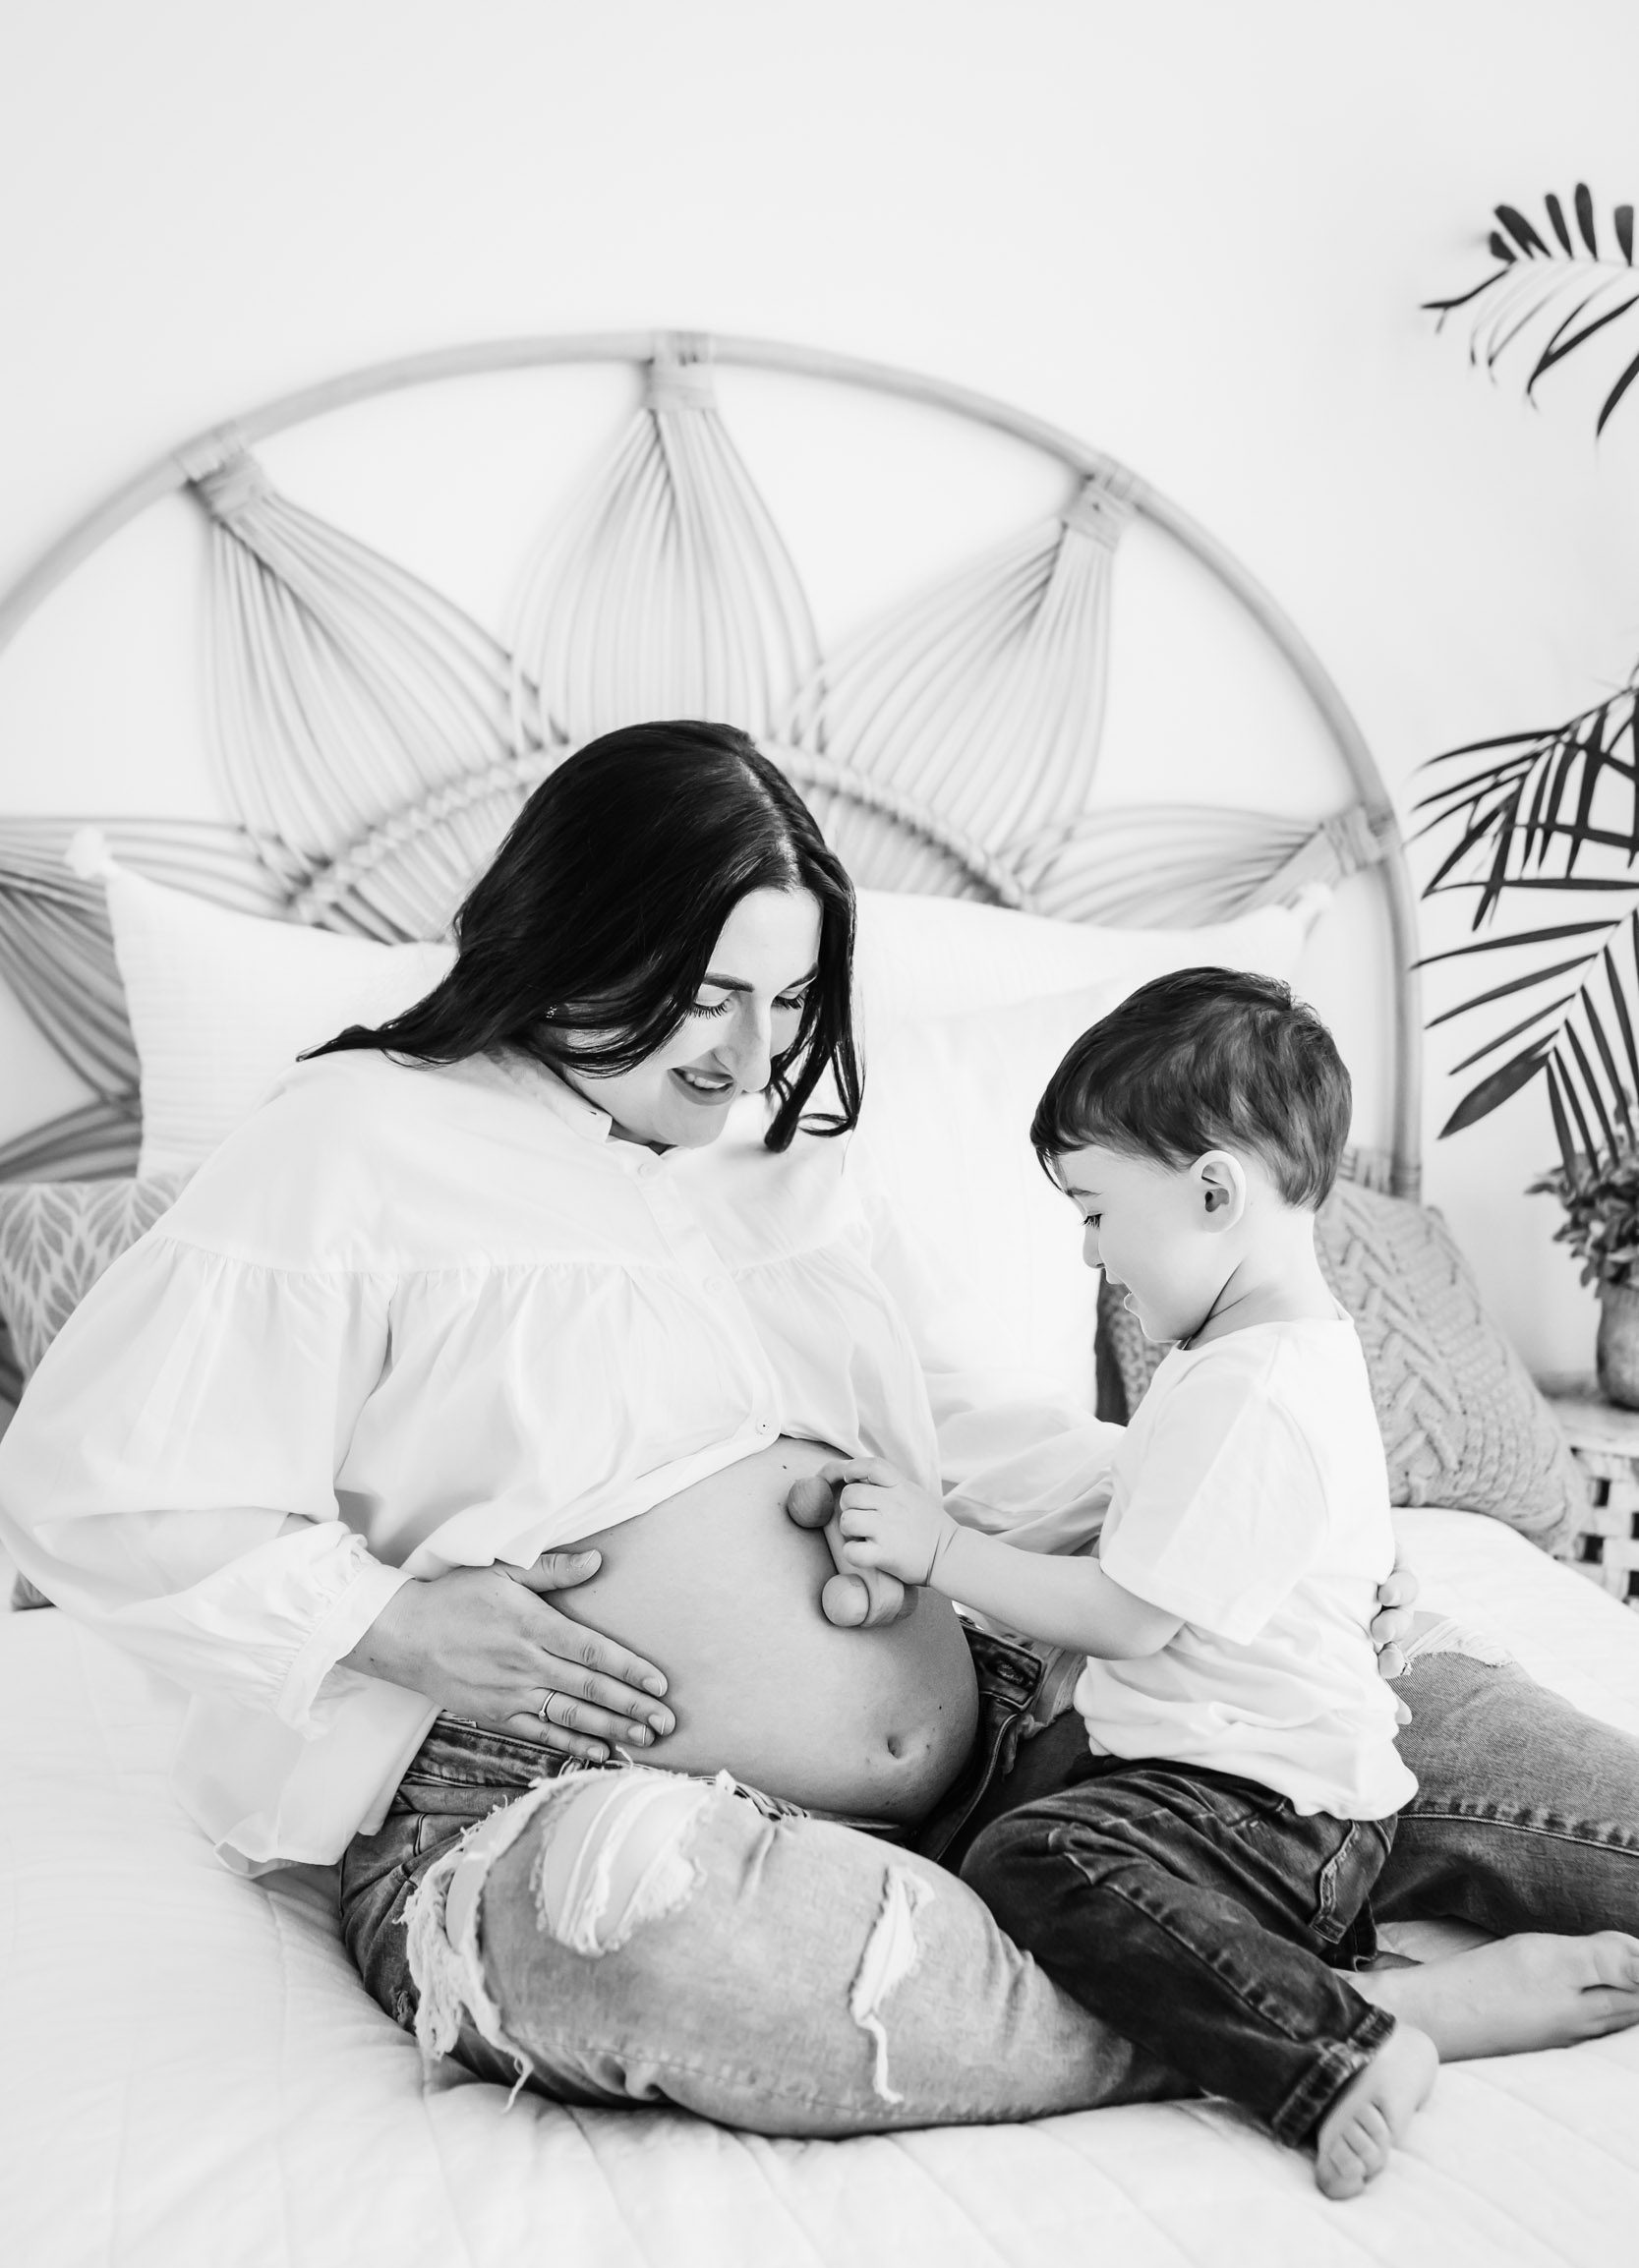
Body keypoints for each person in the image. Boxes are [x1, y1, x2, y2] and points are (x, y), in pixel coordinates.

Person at [0, 721, 1636, 2137]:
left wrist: (1232, 1521)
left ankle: (1242, 1997)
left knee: (1397, 1693)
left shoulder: (783, 1160)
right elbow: (90, 1490)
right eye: (705, 995)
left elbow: (951, 1431)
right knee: (635, 1931)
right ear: (571, 929)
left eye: (786, 1002)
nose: (749, 1055)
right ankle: (1344, 2020)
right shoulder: (353, 1142)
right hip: (531, 1790)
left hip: (1034, 1732)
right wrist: (398, 1623)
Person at [815, 971, 1443, 2192]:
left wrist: (940, 1551)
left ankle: (1341, 2045)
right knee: (991, 1823)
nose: (1089, 1252)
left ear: (1214, 1192)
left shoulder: (1254, 1389)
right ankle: (1295, 1974)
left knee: (1038, 1861)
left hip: (1271, 1807)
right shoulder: (1246, 1360)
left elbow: (1128, 1613)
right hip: (1224, 1781)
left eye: (1097, 1210)